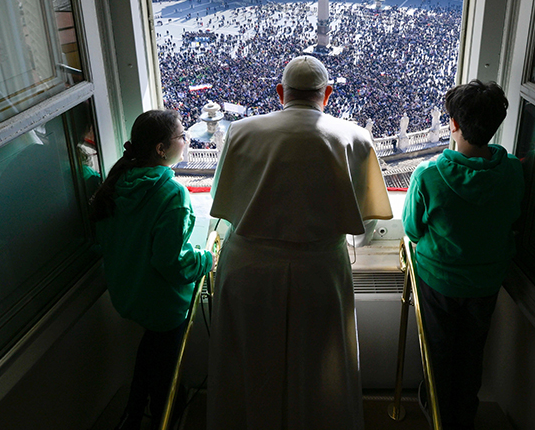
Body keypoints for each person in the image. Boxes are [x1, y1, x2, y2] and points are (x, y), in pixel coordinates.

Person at [207, 55, 393, 429]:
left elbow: (222, 206)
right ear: (327, 93)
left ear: (280, 93)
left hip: (248, 271)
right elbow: (367, 225)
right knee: (319, 371)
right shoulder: (354, 136)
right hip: (318, 272)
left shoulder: (241, 131)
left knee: (249, 367)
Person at [403, 80, 524, 430]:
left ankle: (438, 417)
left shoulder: (429, 174)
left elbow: (412, 229)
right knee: (472, 353)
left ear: (453, 124)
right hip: (487, 281)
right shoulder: (514, 170)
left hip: (437, 280)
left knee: (438, 352)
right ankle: (464, 419)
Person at [91, 110, 214, 430]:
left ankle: (134, 413)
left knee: (150, 352)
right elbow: (171, 262)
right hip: (163, 303)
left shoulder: (117, 182)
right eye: (182, 136)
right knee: (168, 376)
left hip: (128, 293)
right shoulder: (171, 192)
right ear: (161, 149)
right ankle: (164, 418)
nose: (187, 141)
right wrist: (205, 259)